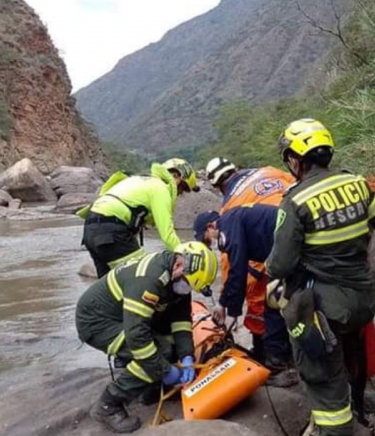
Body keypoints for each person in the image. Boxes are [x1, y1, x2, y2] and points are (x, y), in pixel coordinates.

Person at [266, 118, 375, 436]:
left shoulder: (295, 201)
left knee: (323, 374)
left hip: (325, 309)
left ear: (294, 159)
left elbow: (278, 266)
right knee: (355, 356)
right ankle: (359, 406)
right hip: (364, 300)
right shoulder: (356, 183)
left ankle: (336, 426)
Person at [76, 241, 218, 433]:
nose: (187, 290)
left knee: (172, 347)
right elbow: (138, 339)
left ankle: (149, 390)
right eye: (187, 284)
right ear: (178, 265)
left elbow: (181, 321)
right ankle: (109, 404)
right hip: (97, 321)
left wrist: (187, 356)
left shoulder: (178, 277)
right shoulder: (149, 280)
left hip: (125, 317)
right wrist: (164, 371)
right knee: (157, 353)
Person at [193, 205, 296, 386]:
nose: (210, 244)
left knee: (272, 306)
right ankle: (287, 356)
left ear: (211, 226)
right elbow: (235, 271)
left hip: (285, 251)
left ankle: (277, 366)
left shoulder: (227, 230)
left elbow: (239, 272)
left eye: (207, 239)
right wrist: (222, 303)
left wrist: (232, 314)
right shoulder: (233, 220)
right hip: (286, 247)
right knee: (280, 304)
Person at [202, 157, 295, 353]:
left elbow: (234, 266)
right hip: (300, 225)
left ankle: (273, 357)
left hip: (278, 248)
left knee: (265, 301)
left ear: (218, 185)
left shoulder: (229, 211)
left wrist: (228, 307)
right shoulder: (268, 170)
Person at [82, 158, 200, 278]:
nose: (181, 193)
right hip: (110, 230)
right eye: (183, 188)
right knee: (144, 277)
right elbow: (167, 234)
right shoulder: (160, 188)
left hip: (90, 229)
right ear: (176, 176)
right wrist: (186, 258)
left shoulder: (141, 180)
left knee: (109, 287)